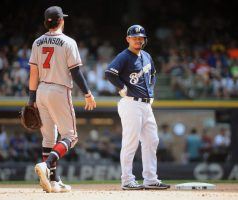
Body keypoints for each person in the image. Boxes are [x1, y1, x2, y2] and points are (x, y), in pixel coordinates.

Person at [29, 6, 96, 193]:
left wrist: (30, 99)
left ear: (46, 22)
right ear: (62, 21)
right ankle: (47, 164)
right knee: (71, 136)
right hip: (59, 90)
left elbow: (33, 72)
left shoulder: (37, 42)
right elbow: (75, 71)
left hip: (41, 90)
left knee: (49, 138)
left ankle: (53, 181)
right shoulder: (68, 42)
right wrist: (87, 93)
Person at [105, 25, 170, 190]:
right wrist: (121, 87)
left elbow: (153, 74)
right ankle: (127, 180)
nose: (138, 40)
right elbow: (109, 73)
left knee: (151, 140)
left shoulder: (147, 56)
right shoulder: (124, 56)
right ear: (128, 39)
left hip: (147, 105)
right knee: (131, 142)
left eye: (140, 37)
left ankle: (150, 179)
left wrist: (152, 89)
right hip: (131, 103)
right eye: (134, 37)